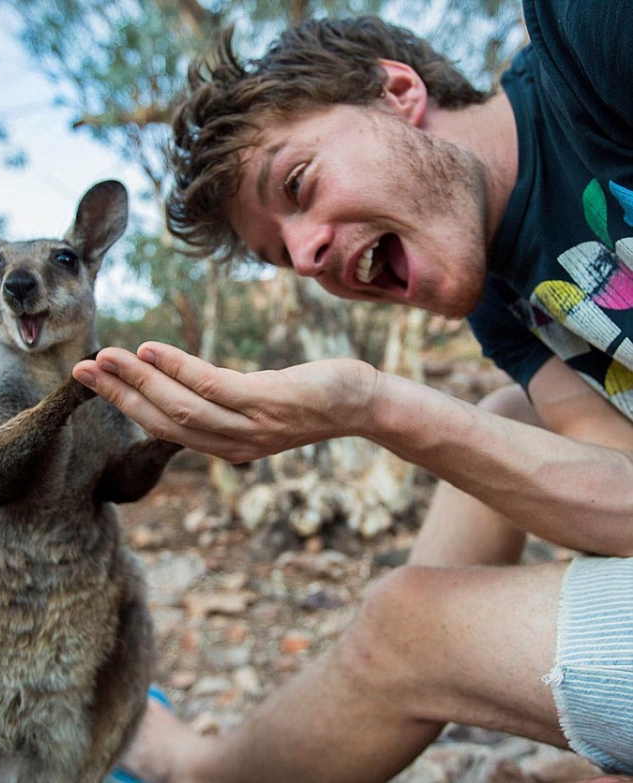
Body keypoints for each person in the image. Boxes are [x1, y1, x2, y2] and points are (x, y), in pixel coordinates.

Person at [75, 2, 633, 781]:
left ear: (397, 91)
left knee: (408, 627)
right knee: (511, 415)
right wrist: (372, 406)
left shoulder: (589, 45)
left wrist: (373, 406)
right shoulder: (500, 303)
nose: (306, 257)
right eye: (282, 254)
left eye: (297, 183)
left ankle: (196, 771)